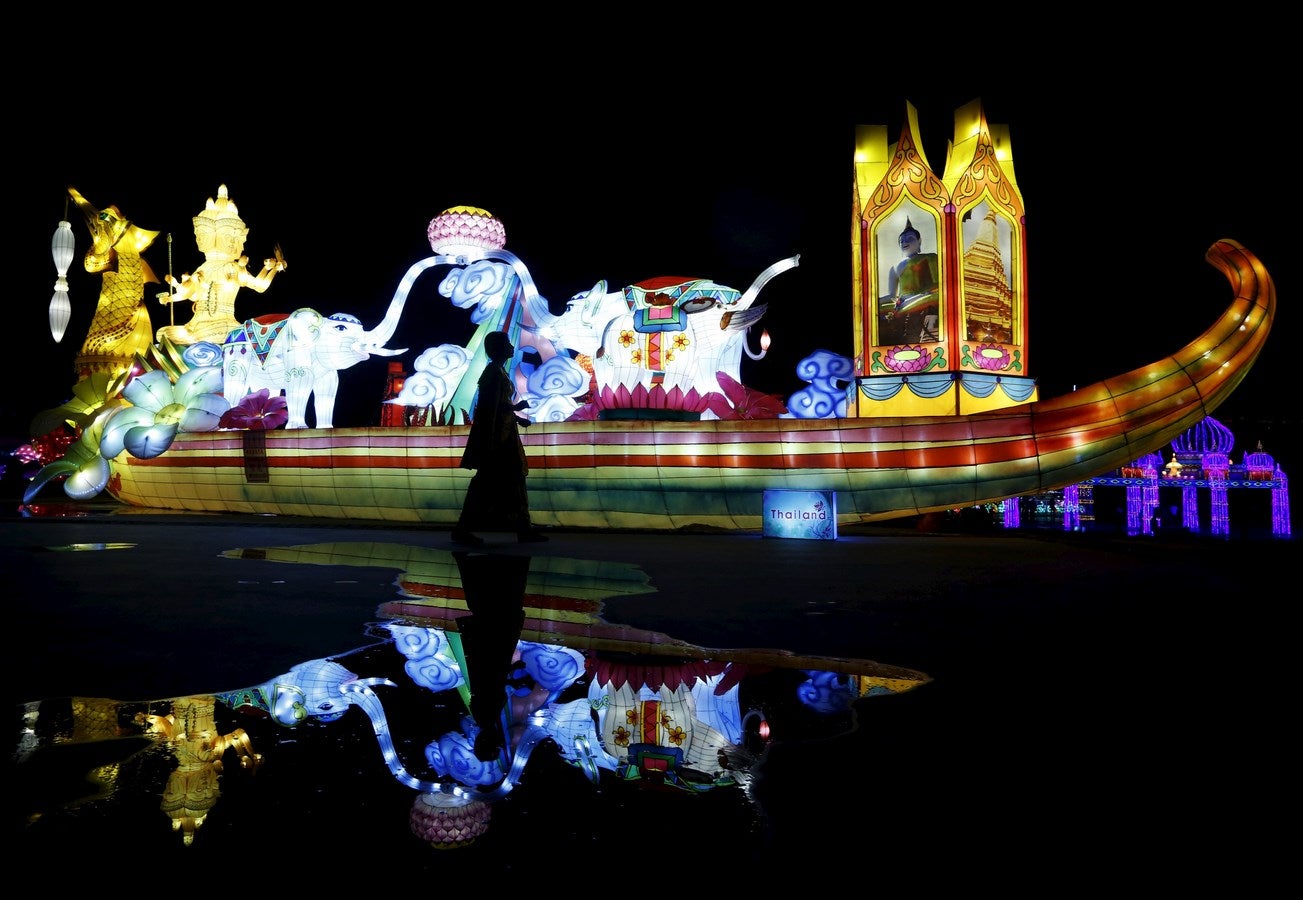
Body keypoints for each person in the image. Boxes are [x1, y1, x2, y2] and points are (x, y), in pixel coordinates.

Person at [452, 331, 548, 544]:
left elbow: (497, 406)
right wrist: (515, 408)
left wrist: (515, 417)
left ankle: (522, 526)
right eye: (506, 343)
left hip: (502, 435)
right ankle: (466, 528)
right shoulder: (493, 373)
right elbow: (490, 407)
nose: (511, 346)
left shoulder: (498, 372)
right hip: (497, 440)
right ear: (498, 348)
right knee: (488, 482)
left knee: (506, 481)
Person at [881, 218, 940, 345]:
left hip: (925, 298)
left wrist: (920, 297)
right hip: (903, 302)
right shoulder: (895, 267)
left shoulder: (930, 257)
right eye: (902, 240)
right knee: (877, 306)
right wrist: (875, 302)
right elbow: (892, 295)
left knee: (937, 296)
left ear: (919, 242)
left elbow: (937, 286)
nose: (905, 242)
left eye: (909, 238)